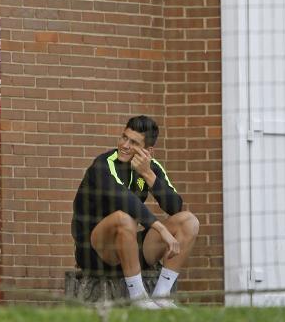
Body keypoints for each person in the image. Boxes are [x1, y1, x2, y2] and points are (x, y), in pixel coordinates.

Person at [71, 115, 199, 308]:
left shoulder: (151, 168)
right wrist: (161, 230)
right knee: (124, 218)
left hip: (129, 248)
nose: (125, 145)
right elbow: (124, 199)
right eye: (124, 137)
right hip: (95, 252)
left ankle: (162, 295)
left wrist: (147, 174)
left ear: (147, 151)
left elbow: (175, 206)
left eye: (133, 142)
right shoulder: (103, 165)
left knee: (189, 221)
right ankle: (138, 299)